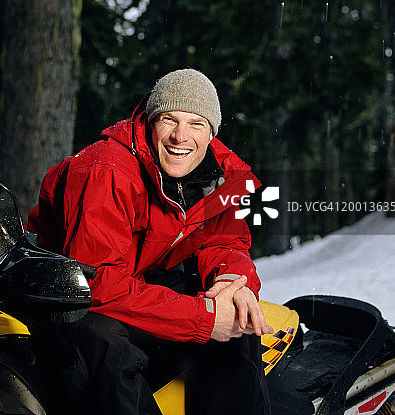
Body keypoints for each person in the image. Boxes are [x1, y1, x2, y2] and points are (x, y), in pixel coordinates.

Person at [26, 68, 272, 415]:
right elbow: (96, 283)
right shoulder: (106, 169)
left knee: (237, 323)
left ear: (212, 132)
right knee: (108, 350)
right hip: (61, 290)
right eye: (169, 120)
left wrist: (233, 282)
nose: (180, 136)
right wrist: (201, 317)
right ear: (150, 120)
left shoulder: (222, 175)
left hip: (134, 277)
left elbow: (225, 243)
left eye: (196, 124)